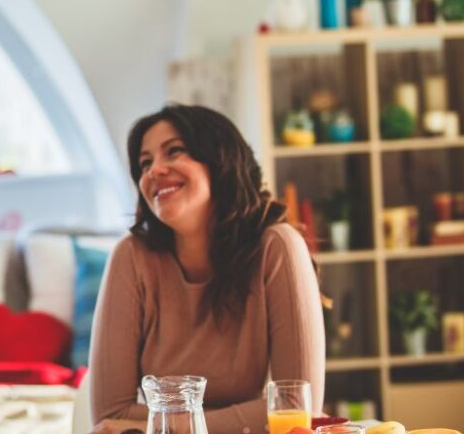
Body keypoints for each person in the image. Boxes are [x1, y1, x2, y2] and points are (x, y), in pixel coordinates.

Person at [90, 104, 324, 433]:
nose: (154, 170)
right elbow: (109, 416)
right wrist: (242, 419)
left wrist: (173, 426)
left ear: (221, 161)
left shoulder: (277, 247)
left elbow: (297, 407)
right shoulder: (130, 257)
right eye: (145, 163)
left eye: (174, 151)